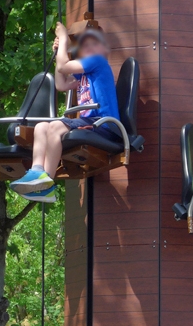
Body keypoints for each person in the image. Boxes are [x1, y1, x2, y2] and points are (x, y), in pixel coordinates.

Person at [9, 22, 120, 203]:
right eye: (84, 45)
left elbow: (63, 67)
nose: (89, 48)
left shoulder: (98, 62)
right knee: (42, 127)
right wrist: (62, 48)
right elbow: (61, 84)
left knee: (55, 127)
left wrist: (63, 41)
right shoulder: (85, 73)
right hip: (90, 122)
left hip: (102, 122)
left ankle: (46, 182)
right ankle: (37, 171)